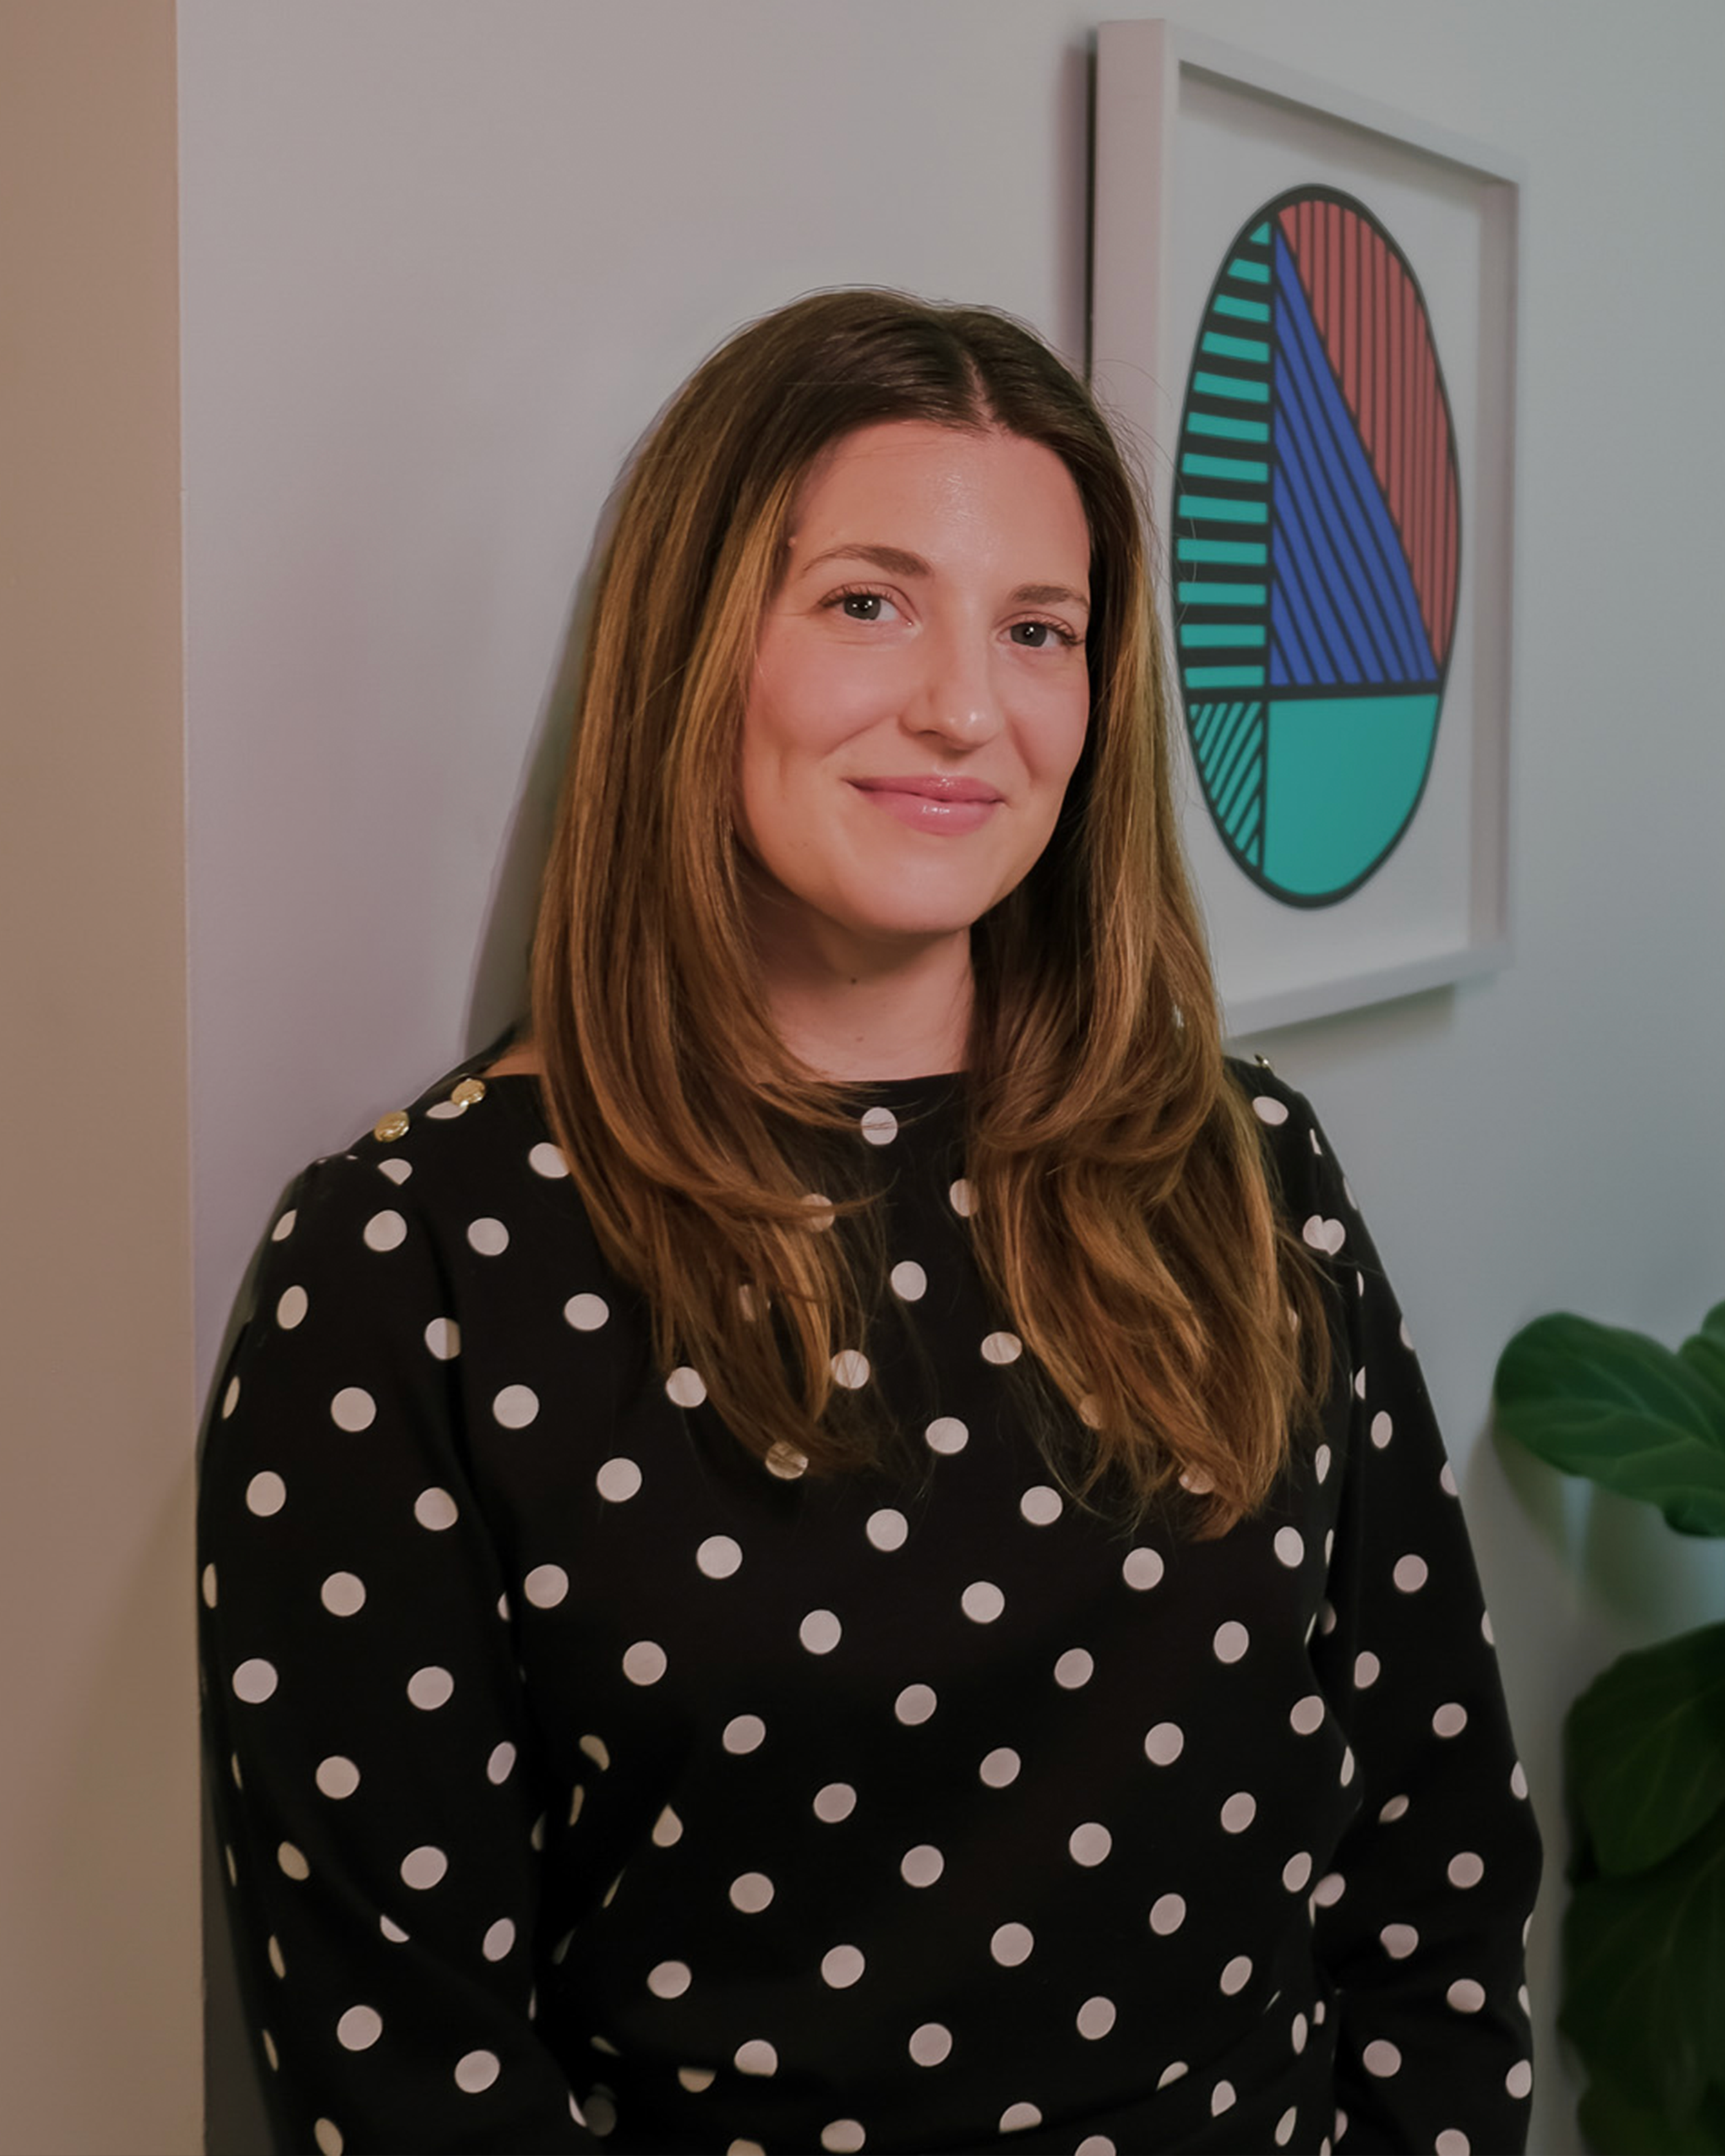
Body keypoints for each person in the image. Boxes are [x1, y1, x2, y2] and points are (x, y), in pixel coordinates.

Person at [197, 288, 1540, 2156]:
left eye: (1039, 630)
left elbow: (1433, 1851)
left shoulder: (1239, 1163)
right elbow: (406, 2065)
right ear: (694, 646)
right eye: (865, 601)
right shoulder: (414, 1265)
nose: (963, 708)